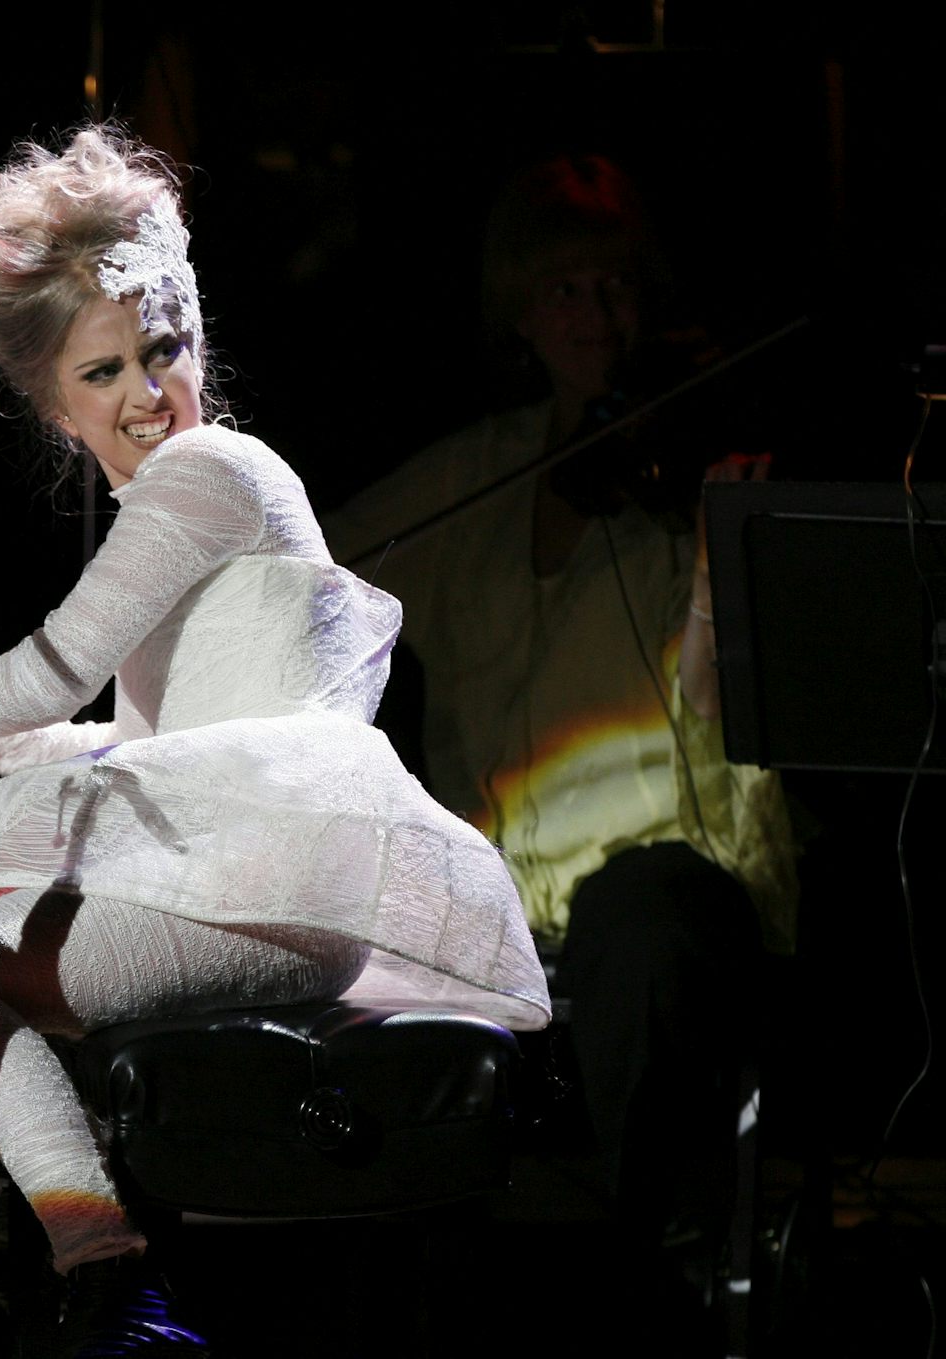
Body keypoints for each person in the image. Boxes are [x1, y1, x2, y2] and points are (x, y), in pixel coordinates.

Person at [0, 124, 550, 1351]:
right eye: (105, 373)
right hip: (236, 881)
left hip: (266, 900)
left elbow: (49, 672)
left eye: (166, 351)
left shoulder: (213, 468)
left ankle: (108, 1276)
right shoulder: (174, 502)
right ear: (49, 401)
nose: (148, 393)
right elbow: (103, 745)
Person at [324, 154, 798, 1343]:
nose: (595, 317)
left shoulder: (699, 455)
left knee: (646, 919)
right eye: (565, 293)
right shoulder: (481, 471)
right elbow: (313, 576)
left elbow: (718, 699)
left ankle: (650, 1281)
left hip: (671, 879)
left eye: (614, 288)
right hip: (488, 891)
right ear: (522, 316)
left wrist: (713, 539)